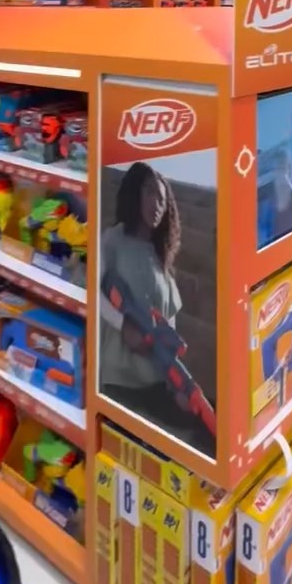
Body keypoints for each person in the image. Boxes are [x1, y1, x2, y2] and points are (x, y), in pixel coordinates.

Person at [100, 162, 214, 454]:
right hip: (118, 381)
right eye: (151, 192)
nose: (157, 204)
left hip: (155, 384)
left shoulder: (160, 262)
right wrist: (122, 324)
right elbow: (93, 288)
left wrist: (178, 389)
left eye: (163, 200)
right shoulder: (113, 240)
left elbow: (168, 337)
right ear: (134, 192)